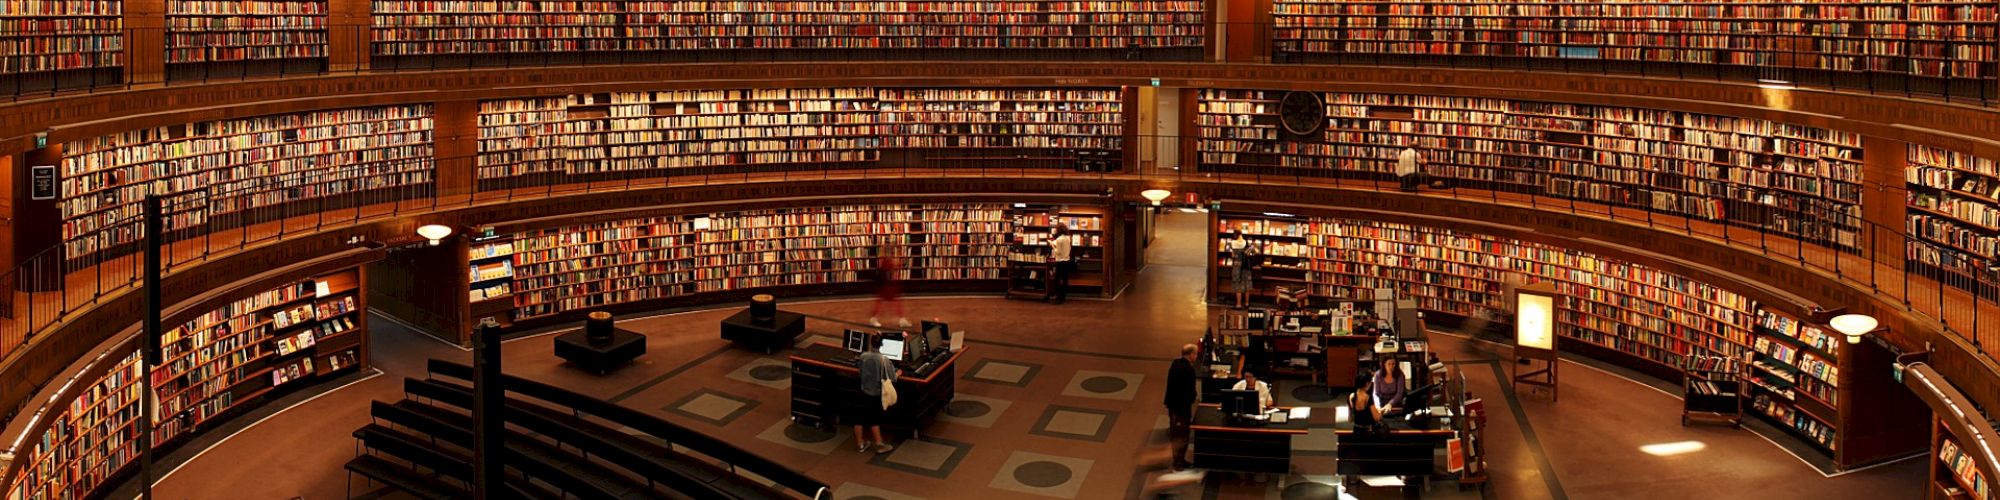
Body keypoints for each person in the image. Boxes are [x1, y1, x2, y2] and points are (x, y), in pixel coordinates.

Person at [854, 335, 899, 454]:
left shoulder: (863, 357)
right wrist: (898, 373)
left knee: (859, 417)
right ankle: (879, 443)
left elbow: (859, 372)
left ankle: (860, 443)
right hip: (875, 394)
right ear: (882, 345)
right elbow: (892, 378)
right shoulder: (884, 360)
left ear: (870, 343)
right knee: (874, 418)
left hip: (863, 391)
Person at [1164, 344, 1199, 470]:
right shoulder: (1188, 370)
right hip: (1182, 408)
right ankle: (1178, 463)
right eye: (1195, 354)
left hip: (1172, 406)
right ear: (1190, 355)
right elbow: (1190, 391)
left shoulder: (1175, 364)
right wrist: (1193, 397)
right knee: (1182, 435)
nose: (1196, 356)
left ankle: (1178, 460)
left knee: (1176, 433)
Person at [868, 244, 909, 328]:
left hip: (887, 286)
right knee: (886, 303)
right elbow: (887, 274)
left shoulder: (887, 260)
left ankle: (901, 319)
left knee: (887, 303)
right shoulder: (887, 261)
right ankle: (874, 319)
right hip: (886, 286)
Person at [1226, 231, 1253, 308]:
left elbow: (1232, 255)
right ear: (1241, 234)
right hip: (1246, 266)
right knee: (1246, 284)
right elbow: (1250, 253)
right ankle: (1247, 303)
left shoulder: (1232, 243)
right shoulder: (1246, 243)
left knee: (1238, 284)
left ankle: (1238, 304)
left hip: (1237, 266)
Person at [1049, 224, 1075, 304]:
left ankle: (1058, 297)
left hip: (1060, 262)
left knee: (1057, 280)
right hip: (1067, 261)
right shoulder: (1068, 238)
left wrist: (1052, 245)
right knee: (1064, 279)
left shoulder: (1059, 239)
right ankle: (1063, 296)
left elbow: (1058, 252)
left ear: (1058, 230)